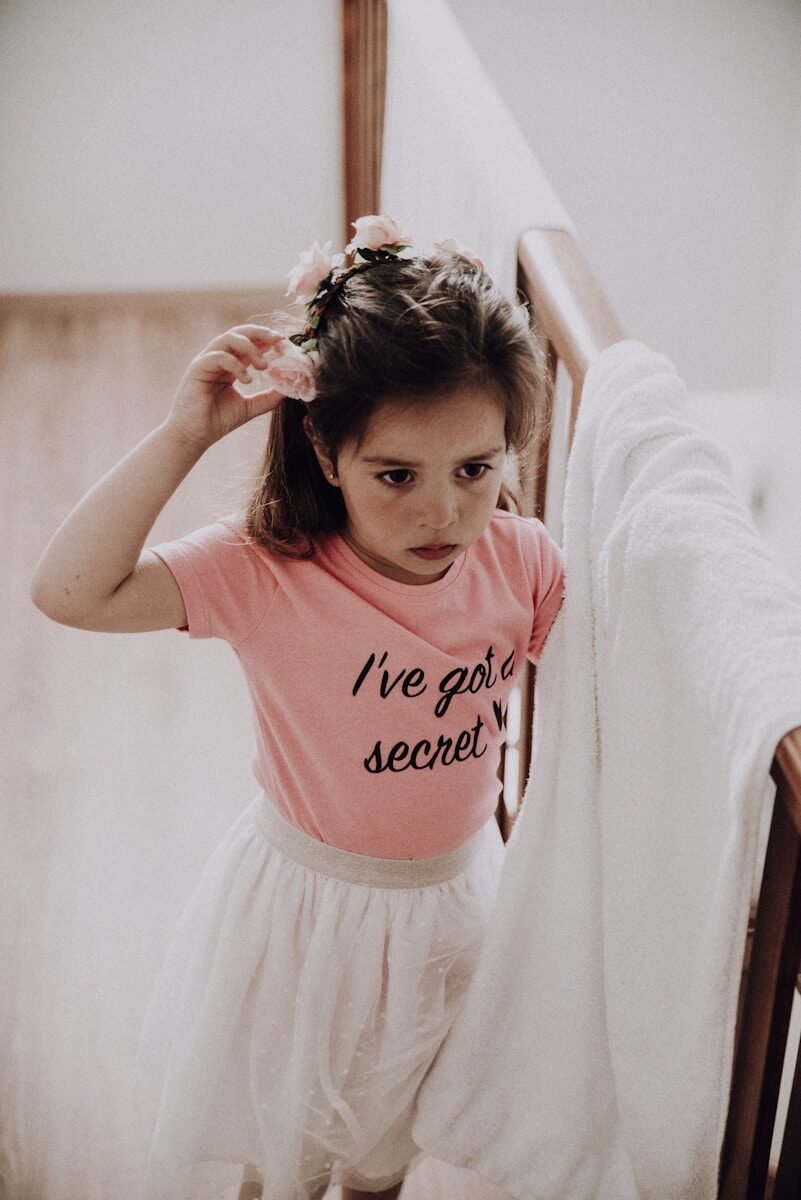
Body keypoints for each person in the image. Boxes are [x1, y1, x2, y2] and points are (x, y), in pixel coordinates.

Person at [30, 214, 565, 1200]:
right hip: (311, 920)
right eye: (396, 475)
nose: (442, 513)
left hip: (452, 911)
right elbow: (68, 591)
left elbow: (602, 683)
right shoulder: (269, 571)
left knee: (383, 1154)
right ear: (326, 453)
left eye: (475, 471)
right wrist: (185, 432)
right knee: (288, 1150)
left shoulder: (522, 562)